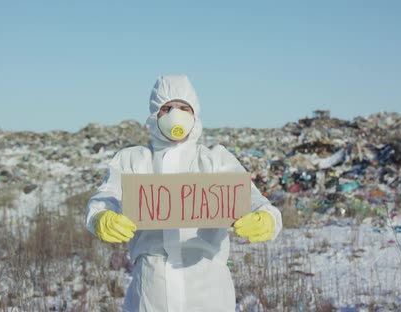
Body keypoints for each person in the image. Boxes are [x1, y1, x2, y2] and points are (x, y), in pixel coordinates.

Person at [85, 75, 283, 311]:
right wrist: (100, 217)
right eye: (166, 108)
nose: (175, 114)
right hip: (151, 290)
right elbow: (106, 196)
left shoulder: (215, 160)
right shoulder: (133, 160)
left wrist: (267, 218)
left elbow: (253, 199)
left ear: (194, 114)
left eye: (183, 107)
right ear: (154, 114)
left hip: (208, 290)